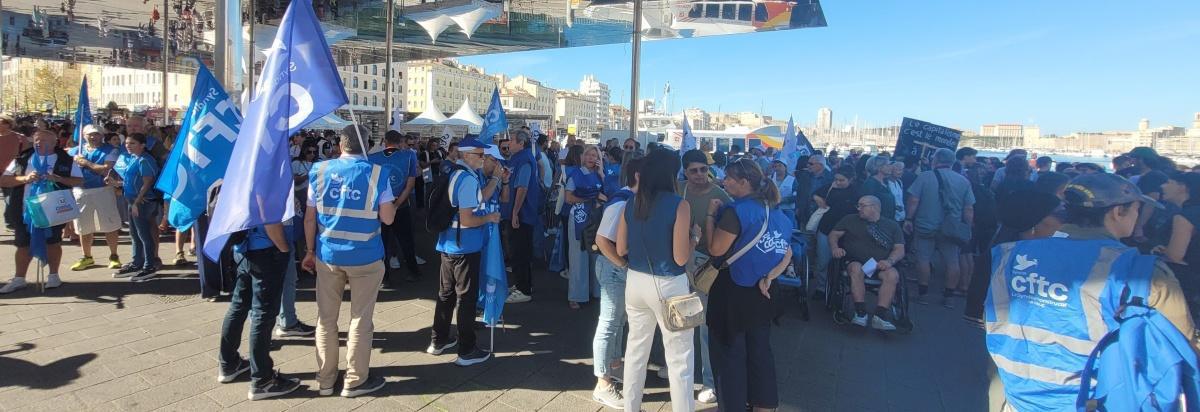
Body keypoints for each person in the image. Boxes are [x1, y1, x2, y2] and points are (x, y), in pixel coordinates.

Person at [984, 173, 1199, 411]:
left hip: (1016, 396)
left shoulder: (1009, 255)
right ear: (1118, 212)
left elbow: (996, 318)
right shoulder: (1140, 271)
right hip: (1092, 401)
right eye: (1136, 209)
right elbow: (1184, 345)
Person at [301, 125, 394, 397]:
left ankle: (326, 380)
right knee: (360, 320)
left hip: (328, 255)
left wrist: (309, 250)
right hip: (366, 256)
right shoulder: (378, 174)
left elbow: (309, 218)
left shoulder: (318, 171)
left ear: (341, 145)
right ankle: (354, 381)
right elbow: (388, 219)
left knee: (325, 320)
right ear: (366, 146)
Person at [705, 158, 793, 411]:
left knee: (730, 353)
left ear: (744, 182)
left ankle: (732, 405)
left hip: (733, 290)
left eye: (729, 178)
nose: (724, 181)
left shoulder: (736, 212)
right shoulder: (779, 214)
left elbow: (715, 249)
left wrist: (711, 215)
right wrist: (770, 277)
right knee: (760, 353)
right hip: (763, 290)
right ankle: (764, 403)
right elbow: (787, 253)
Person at [616, 148, 697, 412]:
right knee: (680, 357)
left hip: (636, 281)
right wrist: (694, 238)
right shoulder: (679, 205)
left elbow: (620, 249)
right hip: (670, 284)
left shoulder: (632, 202)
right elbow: (681, 257)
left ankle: (631, 406)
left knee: (636, 349)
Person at [427, 138, 499, 366]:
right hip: (465, 245)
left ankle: (438, 341)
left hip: (448, 243)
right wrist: (489, 217)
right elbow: (468, 219)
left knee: (445, 294)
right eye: (480, 155)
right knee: (465, 298)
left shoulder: (456, 174)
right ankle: (467, 350)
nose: (483, 159)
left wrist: (496, 178)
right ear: (467, 155)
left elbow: (480, 198)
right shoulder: (467, 179)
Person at [216, 223, 302, 400]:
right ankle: (263, 380)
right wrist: (284, 249)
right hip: (266, 249)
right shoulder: (268, 192)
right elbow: (269, 218)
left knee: (238, 306)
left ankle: (228, 364)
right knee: (263, 314)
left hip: (242, 247)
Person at [0, 130, 83, 293]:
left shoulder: (65, 159)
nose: (39, 143)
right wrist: (25, 179)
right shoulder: (23, 159)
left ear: (54, 143)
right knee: (22, 244)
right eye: (36, 140)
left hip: (53, 209)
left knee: (53, 242)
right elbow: (4, 180)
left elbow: (79, 180)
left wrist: (58, 178)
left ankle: (53, 276)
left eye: (44, 140)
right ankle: (19, 279)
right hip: (26, 209)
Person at [678, 149, 731, 403]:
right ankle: (681, 369)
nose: (700, 175)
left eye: (703, 169)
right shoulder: (679, 190)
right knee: (680, 320)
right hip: (680, 262)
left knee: (704, 326)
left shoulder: (720, 195)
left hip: (704, 265)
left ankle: (709, 380)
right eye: (693, 170)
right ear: (685, 172)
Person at [590, 156, 642, 409]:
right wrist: (623, 266)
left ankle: (612, 368)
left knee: (617, 321)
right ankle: (603, 383)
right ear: (640, 177)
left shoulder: (625, 198)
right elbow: (602, 240)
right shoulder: (622, 203)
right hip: (613, 268)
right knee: (609, 323)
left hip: (616, 267)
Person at [905, 148, 975, 307]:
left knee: (923, 259)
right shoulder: (963, 181)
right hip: (951, 228)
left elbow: (913, 201)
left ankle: (923, 293)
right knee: (952, 261)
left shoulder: (924, 177)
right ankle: (949, 296)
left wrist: (908, 219)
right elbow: (969, 208)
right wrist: (967, 227)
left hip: (925, 225)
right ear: (952, 162)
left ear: (935, 160)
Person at [828, 195, 905, 329]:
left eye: (862, 205)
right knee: (857, 269)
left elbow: (899, 249)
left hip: (881, 264)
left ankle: (880, 316)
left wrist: (889, 261)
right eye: (858, 205)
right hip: (856, 260)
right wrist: (835, 248)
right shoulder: (850, 219)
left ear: (874, 207)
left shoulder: (892, 225)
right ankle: (860, 313)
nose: (859, 209)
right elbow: (833, 234)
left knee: (892, 275)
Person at [368, 130, 420, 286]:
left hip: (380, 207)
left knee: (382, 242)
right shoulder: (409, 156)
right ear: (400, 141)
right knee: (406, 241)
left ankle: (384, 277)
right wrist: (396, 205)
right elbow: (410, 185)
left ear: (385, 141)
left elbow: (371, 186)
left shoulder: (372, 159)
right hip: (401, 204)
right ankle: (413, 271)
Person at [68, 124, 123, 271]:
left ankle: (114, 255)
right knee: (83, 225)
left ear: (102, 135)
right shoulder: (75, 151)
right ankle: (86, 256)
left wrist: (86, 163)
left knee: (109, 223)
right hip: (81, 190)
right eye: (90, 134)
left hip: (102, 190)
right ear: (84, 136)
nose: (93, 137)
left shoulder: (110, 150)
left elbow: (106, 170)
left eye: (97, 134)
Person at [110, 133, 163, 282]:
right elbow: (132, 181)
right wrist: (115, 183)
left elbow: (147, 182)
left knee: (144, 235)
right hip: (133, 200)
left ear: (142, 145)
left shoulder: (145, 160)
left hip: (142, 202)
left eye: (132, 143)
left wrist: (137, 202)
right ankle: (137, 262)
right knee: (134, 234)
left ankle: (149, 265)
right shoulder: (133, 158)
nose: (128, 146)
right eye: (127, 143)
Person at [563, 145, 605, 309]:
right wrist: (590, 200)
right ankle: (575, 295)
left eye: (595, 156)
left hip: (597, 218)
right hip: (579, 218)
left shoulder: (600, 175)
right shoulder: (575, 175)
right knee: (578, 256)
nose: (591, 158)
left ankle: (596, 291)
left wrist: (602, 175)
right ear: (583, 156)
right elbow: (568, 198)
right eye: (589, 155)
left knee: (596, 255)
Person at [504, 130, 542, 304]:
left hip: (522, 214)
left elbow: (522, 187)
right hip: (519, 213)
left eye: (511, 140)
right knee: (519, 251)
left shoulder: (525, 160)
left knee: (520, 251)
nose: (508, 143)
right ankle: (522, 283)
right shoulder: (517, 158)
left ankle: (524, 289)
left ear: (521, 143)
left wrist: (515, 212)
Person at [1156, 172, 1200, 318]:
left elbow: (1175, 255)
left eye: (1169, 182)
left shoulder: (1184, 217)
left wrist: (1163, 252)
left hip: (1189, 281)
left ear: (1183, 187)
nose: (1163, 185)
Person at [812, 166, 859, 294]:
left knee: (844, 261)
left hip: (846, 232)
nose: (838, 182)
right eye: (836, 179)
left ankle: (839, 286)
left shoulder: (857, 192)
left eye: (842, 180)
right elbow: (815, 194)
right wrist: (820, 201)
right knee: (823, 260)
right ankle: (822, 287)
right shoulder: (830, 187)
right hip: (826, 228)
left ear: (851, 180)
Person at [860, 156, 896, 221]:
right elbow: (866, 205)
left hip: (887, 221)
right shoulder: (870, 184)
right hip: (877, 223)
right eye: (887, 165)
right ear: (878, 167)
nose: (891, 167)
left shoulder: (885, 182)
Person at [770, 160, 797, 226]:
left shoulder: (792, 180)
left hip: (788, 211)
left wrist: (783, 200)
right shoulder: (770, 179)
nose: (777, 168)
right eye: (775, 166)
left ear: (785, 167)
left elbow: (796, 196)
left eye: (780, 166)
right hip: (773, 210)